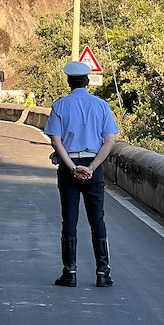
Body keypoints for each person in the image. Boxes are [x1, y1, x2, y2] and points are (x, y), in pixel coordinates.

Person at [44, 61, 119, 288]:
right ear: (87, 82)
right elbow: (109, 141)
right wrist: (92, 167)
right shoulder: (102, 106)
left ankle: (70, 272)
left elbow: (55, 141)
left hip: (69, 168)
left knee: (70, 219)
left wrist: (72, 167)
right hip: (93, 168)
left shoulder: (60, 106)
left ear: (69, 82)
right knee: (97, 219)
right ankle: (102, 273)